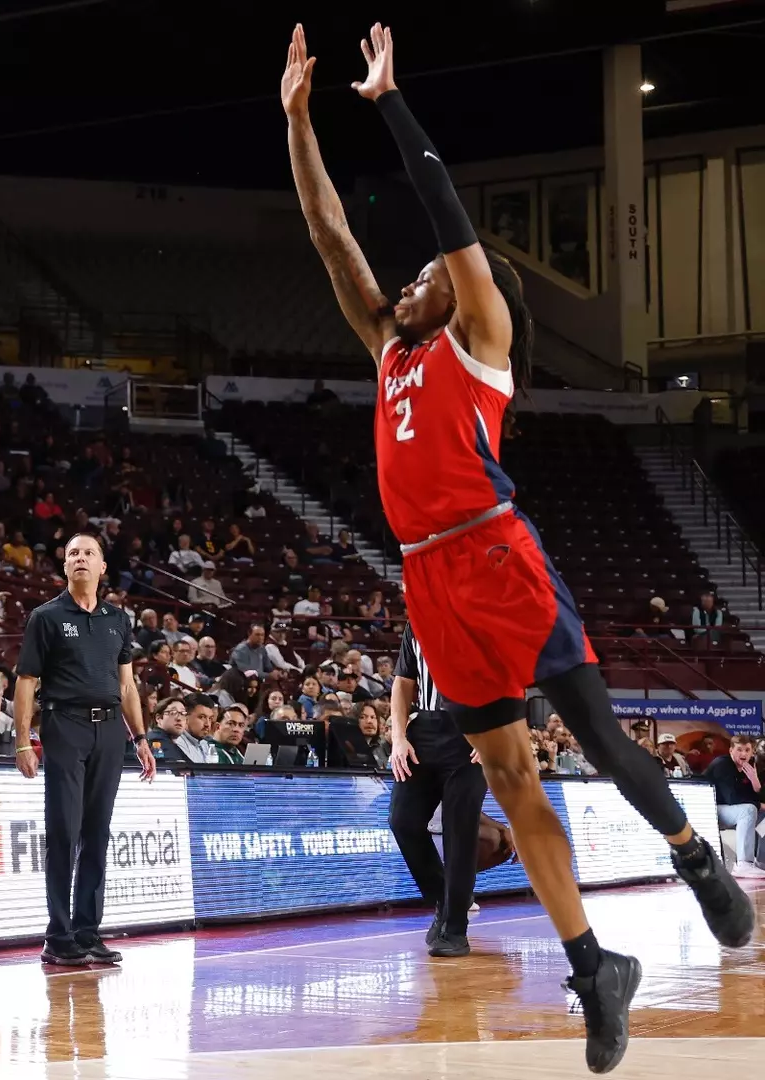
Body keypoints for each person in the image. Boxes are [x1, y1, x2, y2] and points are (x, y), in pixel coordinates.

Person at [284, 26, 747, 1071]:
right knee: (508, 777)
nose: (404, 284)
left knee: (597, 737)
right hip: (430, 581)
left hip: (496, 554)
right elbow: (323, 232)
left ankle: (691, 854)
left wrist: (390, 103)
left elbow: (447, 216)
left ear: (456, 288)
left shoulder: (478, 331)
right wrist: (297, 120)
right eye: (402, 280)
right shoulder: (389, 348)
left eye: (419, 276)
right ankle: (595, 969)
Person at [10, 532, 156, 966]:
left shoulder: (117, 619)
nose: (80, 558)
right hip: (64, 725)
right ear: (65, 565)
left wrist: (142, 737)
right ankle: (58, 936)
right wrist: (22, 740)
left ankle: (88, 932)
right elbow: (26, 682)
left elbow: (127, 684)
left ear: (102, 567)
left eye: (89, 553)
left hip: (110, 730)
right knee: (63, 831)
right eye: (73, 553)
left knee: (97, 833)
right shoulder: (46, 616)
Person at [384, 626, 488, 958]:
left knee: (459, 829)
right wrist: (399, 738)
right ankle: (446, 899)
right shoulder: (417, 622)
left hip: (473, 731)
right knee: (403, 821)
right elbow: (402, 683)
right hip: (424, 728)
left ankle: (455, 929)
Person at [704, 735, 765, 878]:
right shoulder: (722, 764)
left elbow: (753, 799)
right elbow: (732, 799)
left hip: (728, 811)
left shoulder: (748, 768)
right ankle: (744, 863)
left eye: (747, 750)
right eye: (739, 750)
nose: (743, 754)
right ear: (731, 750)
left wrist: (756, 784)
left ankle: (761, 863)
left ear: (752, 752)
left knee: (762, 817)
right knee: (748, 810)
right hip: (709, 810)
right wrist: (759, 804)